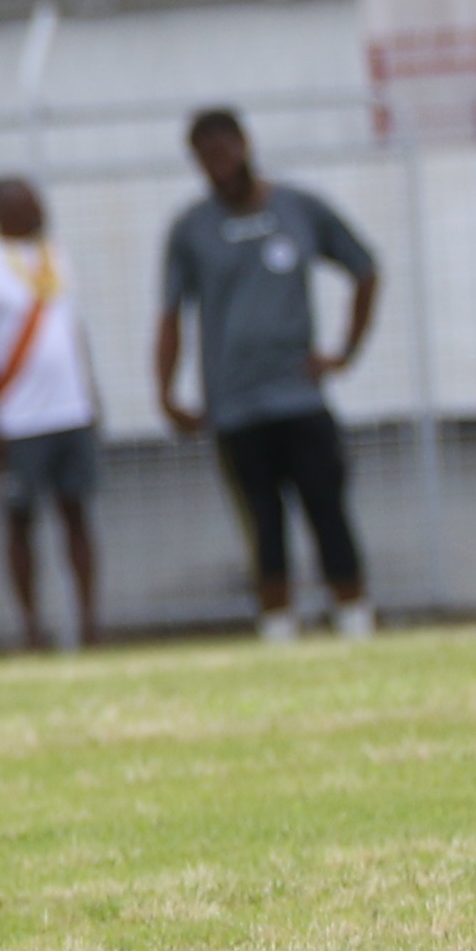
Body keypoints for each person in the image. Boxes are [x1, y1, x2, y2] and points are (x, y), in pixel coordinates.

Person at [156, 110, 381, 639]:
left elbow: (365, 268)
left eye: (225, 151)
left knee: (327, 509)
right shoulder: (191, 230)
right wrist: (166, 392)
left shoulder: (298, 208)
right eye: (206, 159)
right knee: (262, 521)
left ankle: (354, 619)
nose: (219, 166)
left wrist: (344, 352)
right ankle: (278, 626)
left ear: (245, 145)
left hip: (298, 398)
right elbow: (170, 315)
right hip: (233, 403)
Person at [0, 175, 104, 651]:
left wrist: (91, 396)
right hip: (18, 420)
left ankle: (89, 622)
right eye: (25, 205)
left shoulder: (52, 253)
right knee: (20, 519)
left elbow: (71, 329)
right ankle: (31, 626)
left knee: (77, 513)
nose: (38, 212)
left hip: (71, 411)